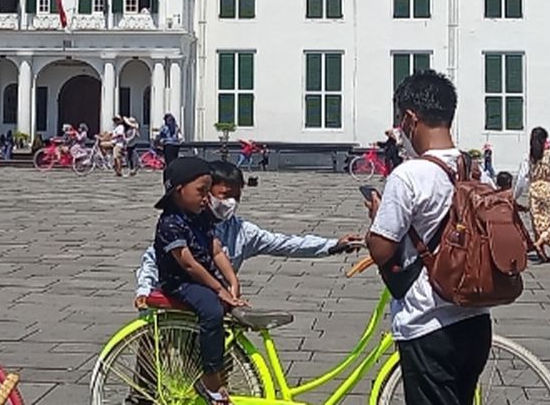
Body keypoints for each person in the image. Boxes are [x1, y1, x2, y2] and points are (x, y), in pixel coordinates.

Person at [366, 70, 491, 405]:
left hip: (428, 322)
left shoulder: (408, 175)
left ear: (410, 118)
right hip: (476, 319)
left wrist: (377, 215)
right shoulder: (474, 168)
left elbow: (380, 249)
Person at [135, 160, 360, 305]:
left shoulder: (242, 232)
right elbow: (153, 258)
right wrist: (145, 290)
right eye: (224, 195)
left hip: (218, 301)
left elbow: (286, 243)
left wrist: (332, 245)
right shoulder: (183, 223)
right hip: (176, 303)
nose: (230, 203)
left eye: (236, 197)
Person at [152, 157, 245, 404]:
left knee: (225, 306)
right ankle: (210, 376)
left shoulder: (201, 216)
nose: (207, 198)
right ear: (178, 190)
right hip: (180, 282)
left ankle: (218, 361)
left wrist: (232, 282)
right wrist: (219, 289)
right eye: (201, 191)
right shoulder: (170, 223)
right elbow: (189, 265)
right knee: (212, 309)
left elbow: (216, 251)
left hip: (201, 280)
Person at [525, 127, 550, 263]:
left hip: (534, 190)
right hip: (547, 189)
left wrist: (514, 195)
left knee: (537, 222)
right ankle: (539, 243)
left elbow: (523, 177)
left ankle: (542, 253)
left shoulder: (529, 157)